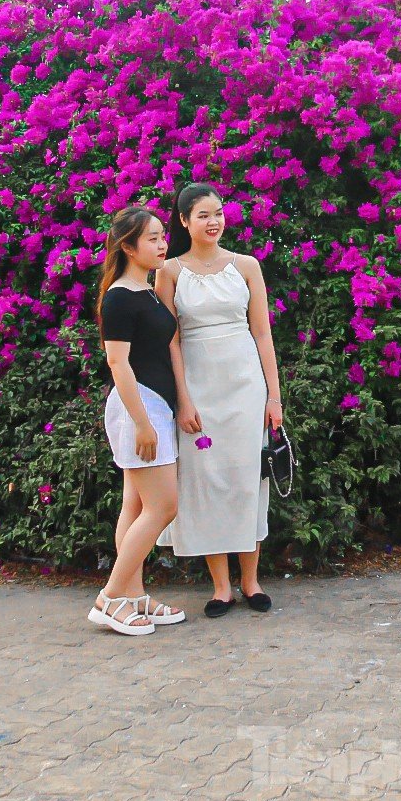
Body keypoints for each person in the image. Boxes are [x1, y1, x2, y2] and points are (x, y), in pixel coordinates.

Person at [157, 184, 283, 617]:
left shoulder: (246, 265)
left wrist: (274, 397)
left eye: (219, 213)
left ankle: (252, 581)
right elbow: (169, 342)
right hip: (198, 388)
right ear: (184, 221)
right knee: (206, 481)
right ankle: (221, 587)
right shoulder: (169, 271)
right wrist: (183, 401)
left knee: (248, 479)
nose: (214, 222)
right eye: (204, 215)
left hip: (246, 387)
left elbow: (263, 333)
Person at [90, 205, 195, 637]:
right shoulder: (118, 297)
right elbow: (118, 363)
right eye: (151, 239)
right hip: (139, 408)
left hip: (156, 406)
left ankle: (134, 595)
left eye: (161, 237)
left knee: (134, 506)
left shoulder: (146, 291)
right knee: (163, 506)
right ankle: (111, 597)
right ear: (127, 247)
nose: (161, 244)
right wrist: (142, 423)